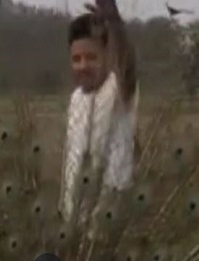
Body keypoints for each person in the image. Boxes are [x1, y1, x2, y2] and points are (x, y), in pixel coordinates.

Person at [59, 0, 139, 222]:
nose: (83, 65)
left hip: (110, 217)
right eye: (76, 59)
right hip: (75, 221)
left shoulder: (117, 91)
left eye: (91, 58)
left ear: (107, 56)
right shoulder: (76, 100)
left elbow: (127, 67)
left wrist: (113, 19)